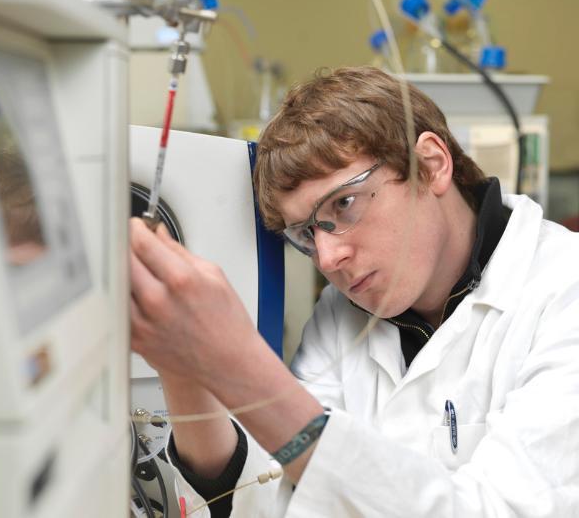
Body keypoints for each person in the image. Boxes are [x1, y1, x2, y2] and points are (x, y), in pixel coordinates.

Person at [129, 66, 579, 517]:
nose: (327, 259)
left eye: (343, 204)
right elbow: (269, 494)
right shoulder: (341, 313)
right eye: (305, 233)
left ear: (431, 164)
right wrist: (181, 365)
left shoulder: (563, 290)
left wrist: (240, 363)